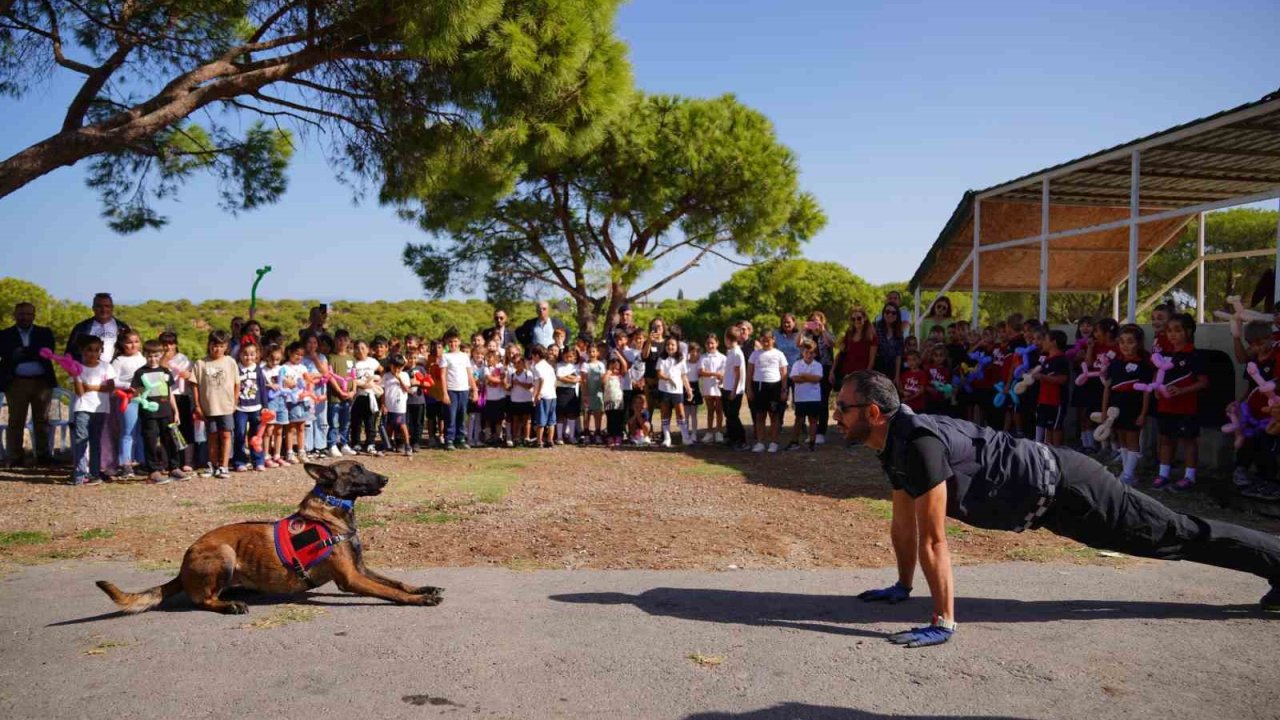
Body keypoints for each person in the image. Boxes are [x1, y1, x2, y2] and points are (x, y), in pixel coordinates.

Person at [839, 370, 1280, 650]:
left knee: (1176, 534)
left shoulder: (918, 444)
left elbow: (934, 538)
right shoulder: (892, 444)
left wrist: (944, 621)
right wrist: (901, 585)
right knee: (1169, 539)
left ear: (873, 412)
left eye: (843, 408)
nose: (836, 414)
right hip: (1054, 506)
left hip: (1073, 488)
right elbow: (903, 522)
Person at [1153, 314, 1208, 491]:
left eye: (1177, 330)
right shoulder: (1165, 354)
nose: (1172, 335)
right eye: (1169, 331)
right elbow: (1157, 375)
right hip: (1166, 406)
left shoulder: (1194, 355)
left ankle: (1189, 476)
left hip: (1186, 407)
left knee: (1188, 441)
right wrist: (1156, 388)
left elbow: (1203, 381)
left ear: (1188, 331)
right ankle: (1163, 474)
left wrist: (1182, 390)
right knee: (1166, 439)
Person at [0, 302, 57, 467]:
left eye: (28, 314)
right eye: (21, 314)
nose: (24, 317)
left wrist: (21, 353)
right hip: (16, 382)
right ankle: (15, 456)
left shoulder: (44, 333)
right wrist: (29, 352)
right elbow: (5, 354)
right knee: (16, 421)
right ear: (15, 315)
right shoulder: (4, 334)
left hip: (41, 383)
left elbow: (46, 353)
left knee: (42, 421)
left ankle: (43, 455)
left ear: (34, 315)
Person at [1099, 324, 1152, 487]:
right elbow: (1107, 388)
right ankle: (1127, 472)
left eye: (1130, 341)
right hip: (1116, 408)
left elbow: (1146, 391)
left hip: (1133, 407)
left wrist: (1143, 413)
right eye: (1122, 342)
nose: (1125, 346)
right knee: (1121, 438)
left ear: (1138, 343)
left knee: (1132, 439)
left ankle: (1129, 474)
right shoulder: (1115, 364)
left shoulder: (1143, 364)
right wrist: (1104, 411)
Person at [131, 339, 184, 483]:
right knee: (151, 441)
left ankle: (174, 468)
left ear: (161, 355)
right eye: (149, 356)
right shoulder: (140, 373)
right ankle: (153, 471)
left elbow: (170, 393)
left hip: (166, 413)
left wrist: (176, 411)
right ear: (144, 355)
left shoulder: (165, 371)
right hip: (149, 415)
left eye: (156, 355)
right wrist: (141, 399)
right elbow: (137, 394)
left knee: (170, 441)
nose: (153, 359)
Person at [190, 330, 239, 479]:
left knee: (225, 435)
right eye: (214, 345)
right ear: (209, 345)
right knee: (211, 436)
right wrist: (198, 406)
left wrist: (235, 402)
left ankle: (224, 466)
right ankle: (212, 464)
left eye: (221, 346)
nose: (217, 349)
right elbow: (194, 385)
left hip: (226, 406)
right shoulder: (200, 363)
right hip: (209, 407)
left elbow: (237, 383)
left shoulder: (230, 362)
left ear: (226, 347)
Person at [69, 336, 116, 485]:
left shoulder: (106, 367)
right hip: (82, 407)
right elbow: (79, 392)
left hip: (100, 408)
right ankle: (79, 474)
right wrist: (76, 376)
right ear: (82, 350)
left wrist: (91, 387)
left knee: (96, 441)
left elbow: (110, 387)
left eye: (97, 350)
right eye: (89, 350)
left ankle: (94, 473)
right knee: (80, 440)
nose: (93, 353)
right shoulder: (78, 367)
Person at [110, 331, 146, 478]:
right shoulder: (119, 361)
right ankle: (125, 463)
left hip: (143, 397)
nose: (133, 345)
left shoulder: (142, 358)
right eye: (129, 342)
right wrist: (128, 385)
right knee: (128, 431)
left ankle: (141, 461)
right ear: (122, 344)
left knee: (141, 431)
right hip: (127, 398)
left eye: (136, 341)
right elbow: (113, 381)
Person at [746, 330, 788, 453]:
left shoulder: (779, 354)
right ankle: (760, 442)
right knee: (759, 416)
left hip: (774, 387)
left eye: (768, 339)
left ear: (773, 339)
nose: (765, 342)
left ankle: (774, 442)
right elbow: (749, 372)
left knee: (774, 416)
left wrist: (784, 390)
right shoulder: (755, 354)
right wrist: (749, 389)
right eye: (763, 339)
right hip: (758, 387)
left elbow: (784, 373)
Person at [231, 342, 267, 472]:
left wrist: (265, 406)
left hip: (256, 408)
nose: (248, 357)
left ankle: (258, 460)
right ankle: (239, 461)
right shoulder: (236, 368)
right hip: (240, 408)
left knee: (256, 436)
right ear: (240, 355)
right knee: (240, 434)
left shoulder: (258, 369)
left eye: (252, 354)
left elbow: (262, 389)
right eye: (245, 354)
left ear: (256, 355)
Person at [65, 292, 131, 364]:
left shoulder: (122, 327)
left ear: (112, 308)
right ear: (93, 308)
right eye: (99, 306)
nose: (103, 309)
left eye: (107, 306)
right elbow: (70, 354)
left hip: (116, 371)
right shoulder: (81, 328)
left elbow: (130, 351)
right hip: (88, 372)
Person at [439, 329, 477, 450]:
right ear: (446, 343)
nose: (453, 344)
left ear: (459, 342)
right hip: (451, 389)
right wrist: (445, 393)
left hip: (464, 389)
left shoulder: (464, 356)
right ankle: (449, 439)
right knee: (451, 415)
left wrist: (474, 389)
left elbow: (469, 374)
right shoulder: (445, 356)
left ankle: (460, 438)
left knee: (462, 415)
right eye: (450, 342)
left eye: (455, 341)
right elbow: (442, 376)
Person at [1031, 329, 1070, 447]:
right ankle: (1048, 450)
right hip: (1044, 399)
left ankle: (1057, 451)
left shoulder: (1061, 359)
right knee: (1047, 427)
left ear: (1053, 342)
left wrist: (1042, 377)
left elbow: (1062, 379)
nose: (1042, 342)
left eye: (1045, 340)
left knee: (1056, 427)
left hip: (1056, 401)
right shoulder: (1046, 359)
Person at [787, 341, 823, 451]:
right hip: (801, 397)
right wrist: (809, 378)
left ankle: (812, 442)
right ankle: (794, 442)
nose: (809, 355)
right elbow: (794, 379)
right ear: (803, 352)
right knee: (798, 420)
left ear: (815, 354)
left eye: (811, 353)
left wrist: (803, 376)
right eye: (806, 352)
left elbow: (817, 379)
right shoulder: (797, 364)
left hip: (814, 397)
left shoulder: (818, 365)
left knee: (813, 420)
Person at [831, 306, 877, 388]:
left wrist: (866, 376)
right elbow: (840, 353)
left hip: (861, 375)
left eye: (859, 318)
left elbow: (872, 360)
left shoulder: (871, 336)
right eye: (853, 319)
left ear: (865, 318)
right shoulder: (849, 334)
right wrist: (832, 371)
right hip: (846, 374)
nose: (856, 321)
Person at [721, 327, 748, 450]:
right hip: (727, 387)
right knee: (728, 415)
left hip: (734, 390)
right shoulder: (730, 351)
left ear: (728, 338)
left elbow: (738, 374)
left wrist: (734, 391)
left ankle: (741, 440)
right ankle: (732, 438)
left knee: (733, 415)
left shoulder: (737, 353)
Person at [382, 353, 413, 456]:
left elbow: (407, 389)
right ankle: (387, 445)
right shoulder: (386, 376)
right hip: (388, 405)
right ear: (390, 365)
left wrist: (399, 378)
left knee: (401, 425)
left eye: (399, 367)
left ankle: (407, 445)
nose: (396, 370)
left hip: (399, 406)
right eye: (394, 367)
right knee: (389, 425)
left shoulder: (404, 375)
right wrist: (383, 404)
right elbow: (383, 391)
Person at [698, 334, 726, 443]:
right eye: (708, 343)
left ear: (717, 344)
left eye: (712, 343)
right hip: (707, 386)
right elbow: (701, 372)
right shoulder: (703, 357)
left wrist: (720, 375)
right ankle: (709, 432)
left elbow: (724, 372)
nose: (710, 345)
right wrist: (715, 373)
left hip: (719, 387)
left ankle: (719, 432)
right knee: (710, 410)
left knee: (719, 410)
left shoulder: (723, 357)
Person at [531, 345, 557, 449]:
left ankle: (539, 441)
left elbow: (541, 380)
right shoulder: (549, 365)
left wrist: (538, 394)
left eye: (533, 356)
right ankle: (550, 440)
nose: (532, 358)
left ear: (537, 355)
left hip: (544, 396)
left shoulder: (537, 366)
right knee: (551, 420)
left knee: (541, 420)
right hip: (552, 396)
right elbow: (554, 381)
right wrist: (553, 392)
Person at [873, 303, 905, 380]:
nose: (890, 314)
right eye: (887, 312)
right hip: (877, 366)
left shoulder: (899, 331)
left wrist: (897, 376)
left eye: (893, 313)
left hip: (892, 367)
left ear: (897, 315)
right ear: (883, 313)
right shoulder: (875, 327)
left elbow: (898, 355)